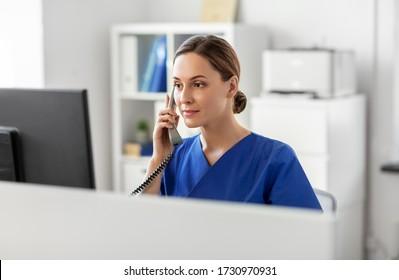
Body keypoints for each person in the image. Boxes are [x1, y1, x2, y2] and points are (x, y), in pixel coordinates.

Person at [143, 34, 322, 210]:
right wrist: (157, 159)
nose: (184, 98)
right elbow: (145, 226)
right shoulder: (173, 157)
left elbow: (310, 234)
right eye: (178, 85)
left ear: (231, 86)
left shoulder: (275, 159)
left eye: (198, 84)